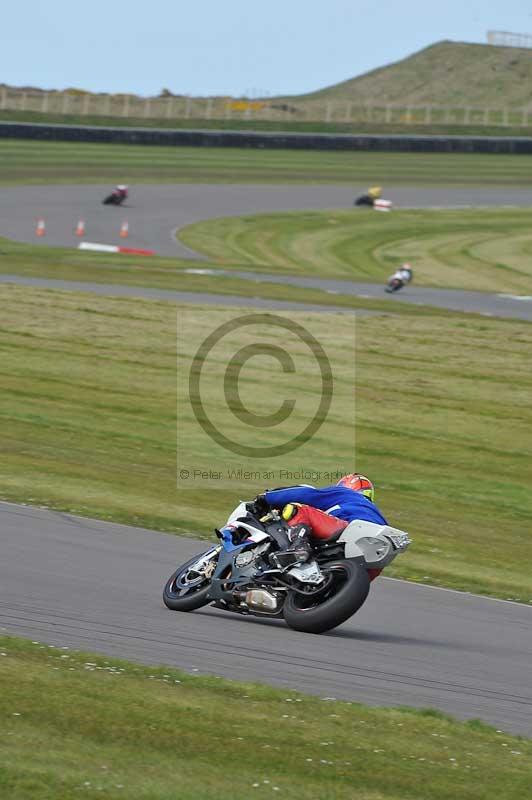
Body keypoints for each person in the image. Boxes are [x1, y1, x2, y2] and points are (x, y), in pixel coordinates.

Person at [249, 474, 387, 579]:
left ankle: (299, 547)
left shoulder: (345, 493)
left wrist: (266, 497)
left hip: (347, 529)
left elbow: (307, 494)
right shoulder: (376, 513)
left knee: (299, 509)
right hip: (376, 551)